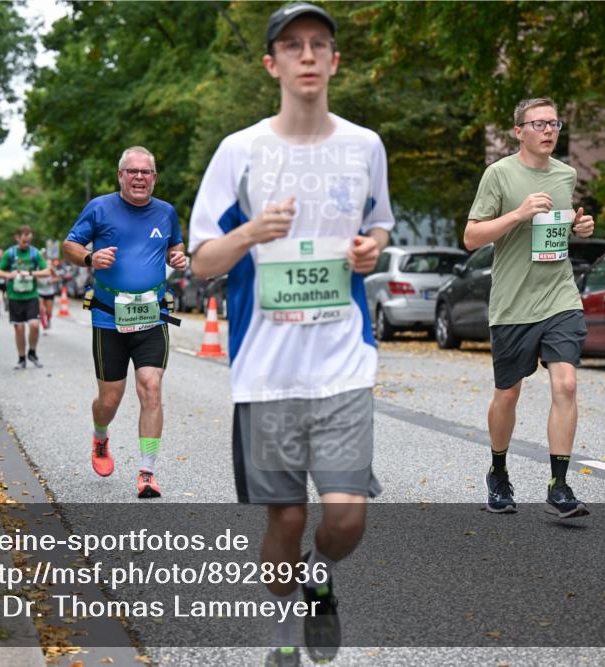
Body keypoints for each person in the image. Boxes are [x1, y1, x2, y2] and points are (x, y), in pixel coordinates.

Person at [189, 5, 393, 664]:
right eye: (292, 45)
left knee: (346, 518)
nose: (307, 55)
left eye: (319, 45)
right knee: (287, 516)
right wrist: (251, 233)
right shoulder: (239, 153)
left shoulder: (364, 146)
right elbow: (201, 260)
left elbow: (381, 223)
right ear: (272, 63)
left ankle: (321, 573)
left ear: (334, 61)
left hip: (343, 364)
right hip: (266, 372)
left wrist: (371, 249)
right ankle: (284, 627)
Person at [464, 97, 597, 519]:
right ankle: (498, 471)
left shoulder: (566, 175)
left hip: (559, 295)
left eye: (554, 122)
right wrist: (518, 214)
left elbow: (557, 229)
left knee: (567, 385)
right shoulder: (498, 175)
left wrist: (580, 226)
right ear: (518, 131)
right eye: (537, 123)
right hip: (513, 303)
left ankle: (559, 484)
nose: (548, 130)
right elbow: (471, 237)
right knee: (508, 392)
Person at [63, 146, 185, 497]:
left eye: (146, 172)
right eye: (132, 171)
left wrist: (179, 259)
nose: (139, 178)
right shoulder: (100, 207)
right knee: (110, 399)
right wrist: (89, 256)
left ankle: (147, 472)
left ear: (154, 178)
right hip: (108, 318)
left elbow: (175, 248)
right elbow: (69, 245)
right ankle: (100, 435)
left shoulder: (166, 212)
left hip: (152, 315)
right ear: (120, 176)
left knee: (151, 386)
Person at [0, 226, 49, 369]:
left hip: (31, 296)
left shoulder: (35, 253)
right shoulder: (10, 253)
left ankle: (32, 352)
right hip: (14, 296)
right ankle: (21, 358)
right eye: (24, 240)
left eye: (29, 239)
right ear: (17, 237)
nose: (27, 242)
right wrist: (9, 275)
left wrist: (31, 273)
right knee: (19, 328)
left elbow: (47, 271)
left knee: (34, 325)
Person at [36, 260, 58, 330]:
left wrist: (52, 281)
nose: (48, 265)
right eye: (46, 264)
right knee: (41, 309)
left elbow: (57, 278)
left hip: (49, 293)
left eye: (49, 264)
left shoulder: (51, 270)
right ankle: (44, 323)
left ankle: (48, 319)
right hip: (40, 292)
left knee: (48, 312)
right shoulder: (38, 270)